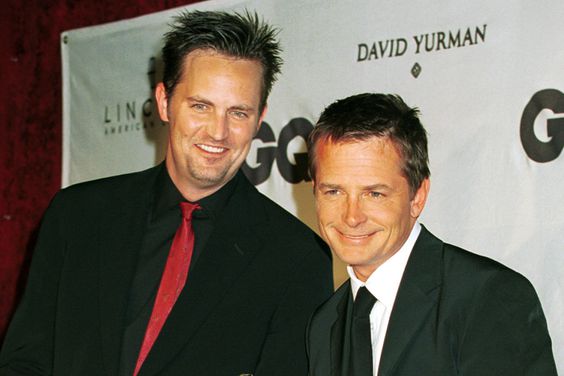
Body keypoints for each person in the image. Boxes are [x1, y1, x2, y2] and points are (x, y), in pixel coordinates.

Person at [0, 10, 333, 376]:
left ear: (259, 117)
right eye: (200, 106)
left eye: (238, 112)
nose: (217, 132)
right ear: (163, 101)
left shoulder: (296, 258)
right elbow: (24, 361)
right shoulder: (76, 215)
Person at [306, 93, 557, 376]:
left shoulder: (487, 299)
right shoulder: (324, 324)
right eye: (334, 192)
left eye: (374, 193)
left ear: (418, 197)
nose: (351, 216)